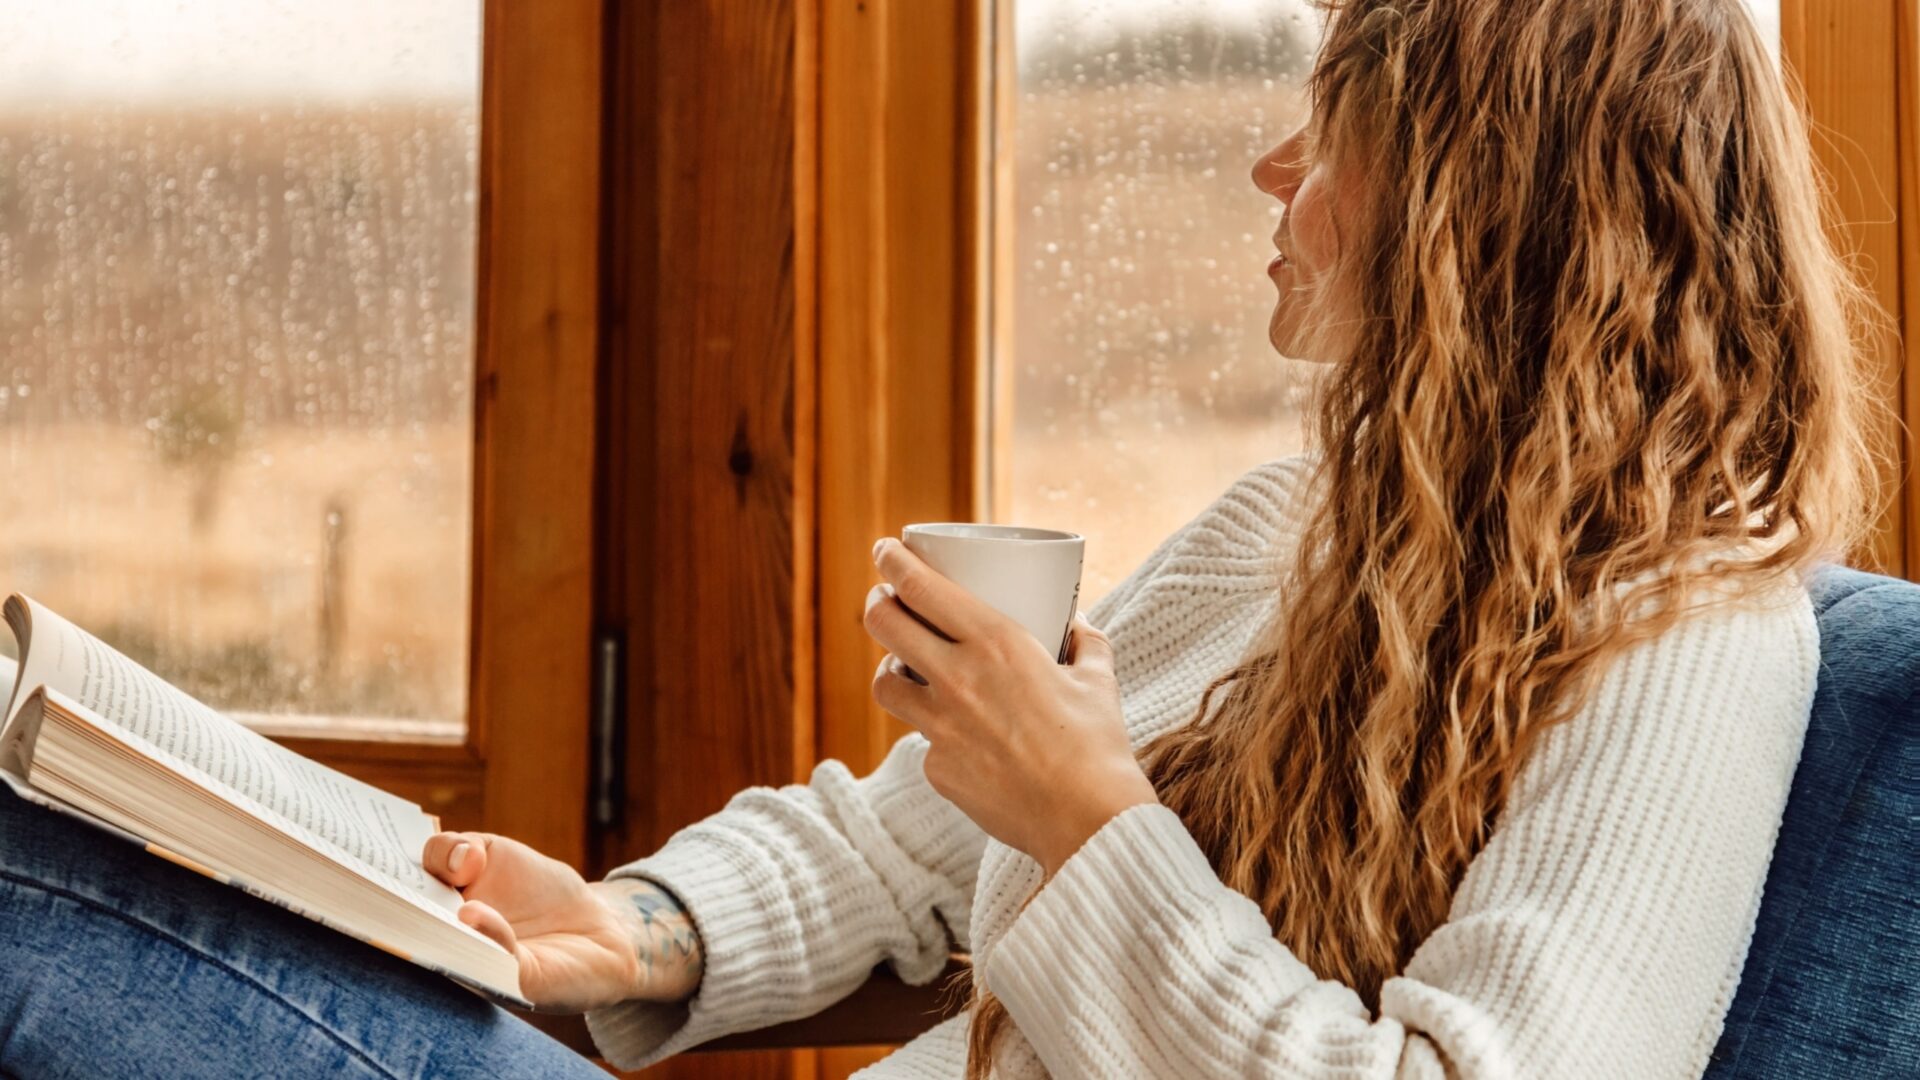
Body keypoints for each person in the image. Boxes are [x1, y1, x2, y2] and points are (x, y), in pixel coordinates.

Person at [0, 0, 1885, 1076]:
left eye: (1338, 124)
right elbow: (901, 853)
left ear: (1492, 209)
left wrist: (1089, 819)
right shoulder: (1303, 530)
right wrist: (639, 929)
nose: (1273, 169)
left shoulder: (1690, 640)